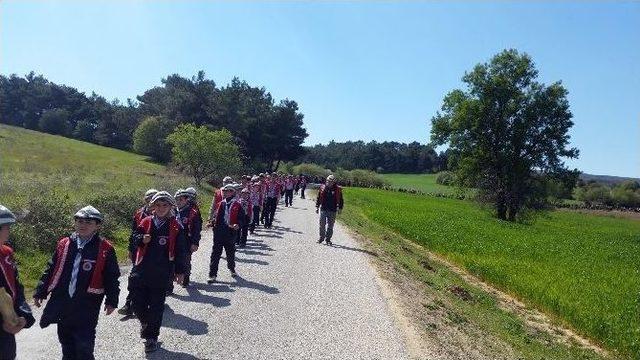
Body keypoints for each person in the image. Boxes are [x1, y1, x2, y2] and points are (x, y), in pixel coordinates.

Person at [33, 206, 120, 360]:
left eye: (88, 222)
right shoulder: (64, 244)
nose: (83, 225)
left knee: (84, 344)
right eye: (79, 221)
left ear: (97, 225)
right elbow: (51, 268)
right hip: (63, 301)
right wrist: (41, 290)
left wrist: (112, 300)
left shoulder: (105, 248)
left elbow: (111, 276)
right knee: (66, 341)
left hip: (87, 303)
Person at [128, 191, 187, 353]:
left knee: (156, 307)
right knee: (136, 303)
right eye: (158, 205)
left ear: (170, 207)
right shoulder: (145, 221)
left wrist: (181, 270)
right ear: (152, 206)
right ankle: (146, 322)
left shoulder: (176, 225)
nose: (161, 208)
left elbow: (181, 250)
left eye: (165, 205)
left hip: (162, 273)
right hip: (141, 270)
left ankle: (151, 338)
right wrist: (141, 239)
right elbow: (134, 237)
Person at [0, 205, 35, 360]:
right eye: (7, 227)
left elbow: (16, 288)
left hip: (6, 331)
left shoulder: (6, 253)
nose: (9, 230)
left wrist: (23, 315)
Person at [119, 188, 158, 316]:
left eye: (153, 199)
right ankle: (129, 304)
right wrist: (131, 249)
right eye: (148, 199)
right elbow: (134, 233)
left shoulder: (166, 215)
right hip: (140, 251)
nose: (150, 202)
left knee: (153, 277)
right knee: (135, 277)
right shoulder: (139, 214)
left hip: (156, 254)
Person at [208, 185, 241, 283]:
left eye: (229, 191)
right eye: (225, 190)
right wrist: (211, 222)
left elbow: (242, 218)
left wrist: (238, 224)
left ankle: (232, 268)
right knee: (215, 254)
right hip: (219, 232)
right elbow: (215, 217)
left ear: (233, 192)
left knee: (230, 253)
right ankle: (212, 274)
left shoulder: (237, 205)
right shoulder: (220, 204)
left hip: (230, 233)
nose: (226, 192)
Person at [175, 188, 202, 288]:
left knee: (186, 260)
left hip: (187, 241)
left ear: (186, 200)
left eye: (181, 200)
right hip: (175, 241)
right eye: (177, 199)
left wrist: (195, 243)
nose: (178, 202)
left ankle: (186, 278)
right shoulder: (172, 211)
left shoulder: (192, 212)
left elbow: (197, 229)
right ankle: (169, 285)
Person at [315, 175, 344, 245]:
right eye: (328, 181)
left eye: (330, 181)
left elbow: (341, 200)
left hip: (333, 210)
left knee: (330, 226)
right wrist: (317, 206)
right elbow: (319, 197)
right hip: (323, 209)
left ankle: (328, 239)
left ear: (334, 182)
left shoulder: (337, 190)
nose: (329, 182)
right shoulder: (322, 187)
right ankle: (321, 238)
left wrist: (340, 208)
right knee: (322, 224)